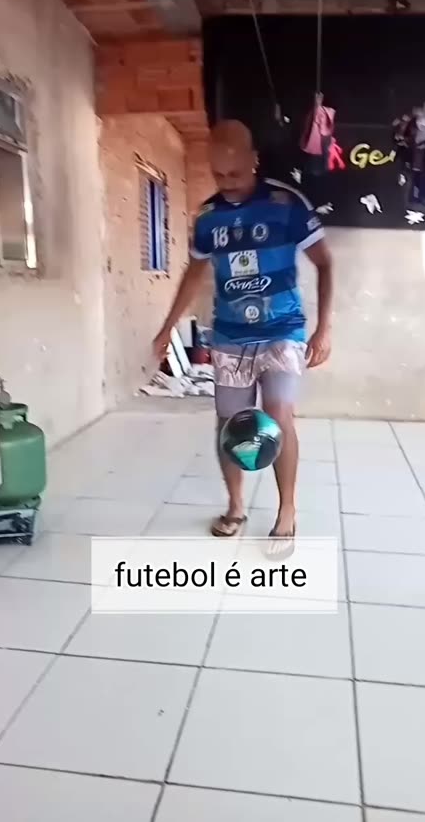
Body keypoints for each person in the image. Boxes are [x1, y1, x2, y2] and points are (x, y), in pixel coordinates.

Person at [153, 120, 333, 558]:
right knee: (229, 423)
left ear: (254, 160)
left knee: (279, 415)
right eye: (218, 175)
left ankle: (287, 510)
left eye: (234, 173)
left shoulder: (286, 204)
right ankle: (235, 506)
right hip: (231, 336)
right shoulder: (208, 217)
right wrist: (167, 326)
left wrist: (324, 328)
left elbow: (325, 263)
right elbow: (193, 273)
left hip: (282, 331)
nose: (227, 183)